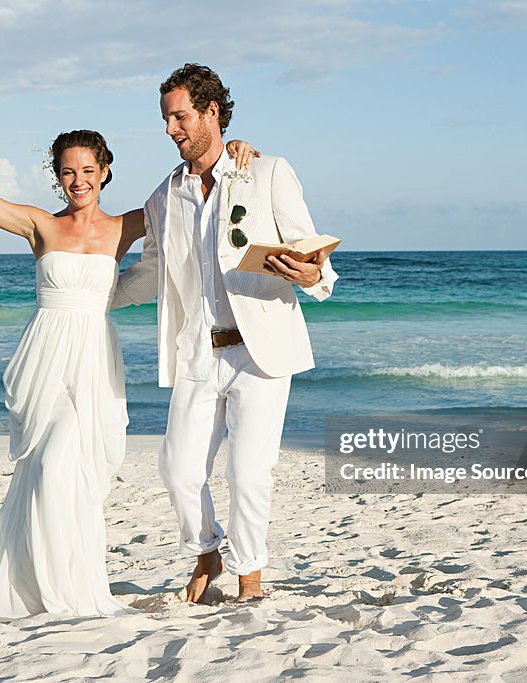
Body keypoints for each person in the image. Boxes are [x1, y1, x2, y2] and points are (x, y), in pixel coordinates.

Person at [0, 115, 257, 620]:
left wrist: (236, 154)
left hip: (93, 360)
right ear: (58, 176)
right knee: (45, 467)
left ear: (105, 172)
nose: (79, 180)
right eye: (68, 172)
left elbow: (199, 200)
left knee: (71, 472)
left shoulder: (126, 226)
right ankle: (37, 586)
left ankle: (73, 585)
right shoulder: (41, 224)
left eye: (88, 169)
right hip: (44, 360)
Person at [112, 64, 338, 603]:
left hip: (259, 350)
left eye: (180, 116)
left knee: (249, 471)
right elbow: (149, 274)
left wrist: (313, 275)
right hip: (196, 349)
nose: (171, 129)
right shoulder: (163, 197)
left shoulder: (265, 171)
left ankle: (249, 576)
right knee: (177, 469)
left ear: (212, 112)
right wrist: (86, 295)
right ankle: (206, 551)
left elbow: (313, 254)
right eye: (167, 119)